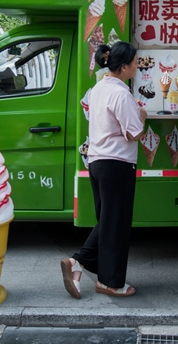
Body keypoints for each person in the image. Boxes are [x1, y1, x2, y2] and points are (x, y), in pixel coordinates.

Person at [62, 41, 146, 299]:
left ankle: (87, 269)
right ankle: (106, 280)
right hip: (117, 164)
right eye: (135, 63)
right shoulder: (121, 93)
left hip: (97, 162)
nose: (137, 66)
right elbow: (133, 133)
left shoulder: (98, 88)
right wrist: (142, 115)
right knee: (115, 224)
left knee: (109, 222)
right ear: (124, 67)